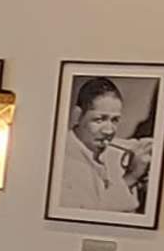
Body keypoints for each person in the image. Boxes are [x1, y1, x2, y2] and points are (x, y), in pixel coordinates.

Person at [51, 74, 154, 217]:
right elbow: (89, 217)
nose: (109, 130)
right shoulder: (57, 160)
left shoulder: (114, 150)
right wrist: (131, 177)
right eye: (99, 119)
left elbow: (149, 146)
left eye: (115, 120)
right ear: (77, 115)